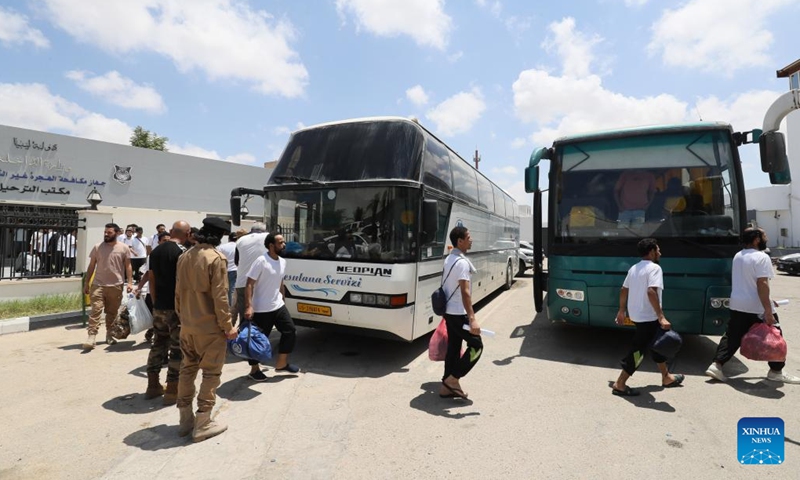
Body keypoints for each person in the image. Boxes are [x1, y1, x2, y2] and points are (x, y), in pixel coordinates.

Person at [705, 228, 800, 384]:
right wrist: (768, 311)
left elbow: (747, 283)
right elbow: (762, 284)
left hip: (737, 304)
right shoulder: (762, 257)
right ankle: (776, 371)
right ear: (756, 239)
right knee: (776, 335)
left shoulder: (738, 255)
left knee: (732, 336)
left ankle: (716, 365)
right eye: (764, 235)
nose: (766, 238)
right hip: (757, 307)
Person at [175, 217, 238, 442]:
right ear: (219, 236)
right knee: (211, 374)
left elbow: (178, 294)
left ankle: (185, 421)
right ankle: (202, 422)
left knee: (187, 369)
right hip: (209, 329)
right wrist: (228, 327)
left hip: (188, 326)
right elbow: (221, 298)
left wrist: (184, 318)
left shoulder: (184, 256)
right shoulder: (216, 259)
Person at [611, 238, 684, 396]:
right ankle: (620, 383)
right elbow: (651, 292)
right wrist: (661, 316)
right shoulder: (654, 269)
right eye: (658, 250)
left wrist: (621, 310)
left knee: (657, 343)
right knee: (638, 351)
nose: (660, 253)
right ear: (651, 252)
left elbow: (624, 289)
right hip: (648, 316)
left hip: (637, 314)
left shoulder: (634, 268)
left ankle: (666, 377)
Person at [144, 221, 190, 404]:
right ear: (187, 233)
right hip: (177, 308)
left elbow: (152, 279)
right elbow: (184, 283)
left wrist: (155, 303)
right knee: (177, 348)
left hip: (160, 306)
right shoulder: (183, 252)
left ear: (171, 231)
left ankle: (152, 385)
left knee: (158, 343)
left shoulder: (156, 251)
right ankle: (172, 388)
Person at [244, 233, 299, 381]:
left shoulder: (282, 261)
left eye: (283, 242)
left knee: (290, 331)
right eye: (280, 243)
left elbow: (280, 281)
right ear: (271, 245)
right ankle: (254, 370)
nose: (284, 245)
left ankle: (281, 363)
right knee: (259, 340)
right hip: (261, 308)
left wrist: (283, 297)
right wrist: (249, 306)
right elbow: (249, 284)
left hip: (278, 305)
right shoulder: (261, 261)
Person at [439, 226, 483, 399]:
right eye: (468, 237)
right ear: (460, 241)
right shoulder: (462, 263)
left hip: (449, 312)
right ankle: (453, 379)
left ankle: (445, 386)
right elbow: (466, 293)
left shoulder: (450, 259)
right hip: (458, 313)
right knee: (477, 346)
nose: (471, 240)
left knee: (454, 347)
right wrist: (472, 319)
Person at [82, 223, 133, 350]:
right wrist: (86, 283)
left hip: (116, 285)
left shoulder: (124, 248)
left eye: (109, 232)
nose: (106, 234)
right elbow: (91, 266)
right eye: (105, 232)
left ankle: (109, 334)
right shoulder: (97, 247)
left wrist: (130, 282)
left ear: (117, 233)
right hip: (98, 284)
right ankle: (91, 336)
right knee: (96, 310)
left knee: (112, 312)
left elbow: (128, 266)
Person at [234, 223, 268, 325]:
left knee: (245, 316)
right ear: (264, 230)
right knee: (261, 318)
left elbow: (237, 261)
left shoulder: (240, 240)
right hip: (261, 284)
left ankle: (244, 338)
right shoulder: (268, 237)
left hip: (242, 283)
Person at [215, 231, 239, 311]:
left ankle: (224, 307)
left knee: (223, 290)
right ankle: (231, 309)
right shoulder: (239, 246)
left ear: (229, 238)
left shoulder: (222, 247)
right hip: (235, 270)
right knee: (232, 290)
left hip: (224, 270)